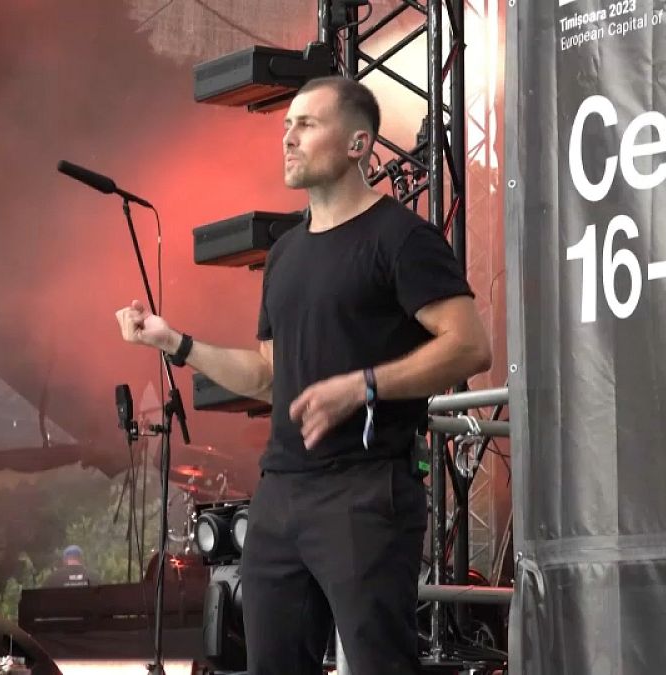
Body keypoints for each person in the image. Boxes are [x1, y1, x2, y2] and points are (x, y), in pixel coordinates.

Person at [115, 76, 491, 675]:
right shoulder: (285, 254)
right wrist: (176, 343)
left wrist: (363, 386)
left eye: (307, 124)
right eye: (286, 124)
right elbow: (270, 375)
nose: (287, 138)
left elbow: (470, 346)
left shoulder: (401, 238)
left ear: (358, 144)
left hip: (366, 490)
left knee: (379, 664)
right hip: (281, 494)